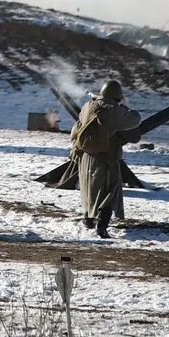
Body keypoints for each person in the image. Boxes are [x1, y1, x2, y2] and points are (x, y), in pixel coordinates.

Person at [71, 79, 141, 238]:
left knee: (89, 189)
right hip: (105, 157)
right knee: (110, 191)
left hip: (86, 156)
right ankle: (102, 226)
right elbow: (135, 119)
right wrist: (121, 106)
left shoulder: (88, 106)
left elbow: (78, 126)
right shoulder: (113, 109)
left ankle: (88, 220)